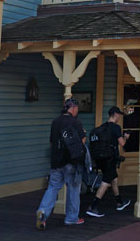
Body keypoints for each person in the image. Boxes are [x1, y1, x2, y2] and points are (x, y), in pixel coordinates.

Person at [36, 98, 86, 229]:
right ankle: (71, 218)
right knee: (73, 189)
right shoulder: (75, 122)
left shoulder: (55, 121)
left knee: (52, 188)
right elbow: (82, 141)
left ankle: (43, 212)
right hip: (71, 161)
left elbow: (52, 142)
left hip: (56, 161)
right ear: (73, 108)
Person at [85, 106, 131, 218]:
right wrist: (126, 137)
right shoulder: (115, 128)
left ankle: (119, 202)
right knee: (106, 181)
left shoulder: (102, 127)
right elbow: (122, 144)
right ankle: (93, 206)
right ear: (115, 114)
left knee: (113, 178)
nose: (119, 116)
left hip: (99, 158)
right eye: (119, 114)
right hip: (109, 158)